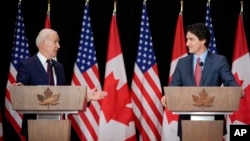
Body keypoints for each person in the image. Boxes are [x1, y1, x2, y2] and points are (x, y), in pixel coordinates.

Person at [13, 28, 107, 140]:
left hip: (58, 128)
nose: (58, 46)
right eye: (55, 42)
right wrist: (21, 90)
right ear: (44, 43)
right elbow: (21, 92)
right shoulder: (27, 65)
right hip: (35, 127)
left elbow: (66, 95)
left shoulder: (59, 67)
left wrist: (86, 97)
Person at [161, 23, 238, 140]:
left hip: (213, 125)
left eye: (191, 39)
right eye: (187, 39)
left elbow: (231, 84)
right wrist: (167, 97)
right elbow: (173, 88)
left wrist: (237, 92)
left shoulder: (219, 61)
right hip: (187, 123)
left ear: (203, 40)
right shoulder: (182, 63)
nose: (187, 44)